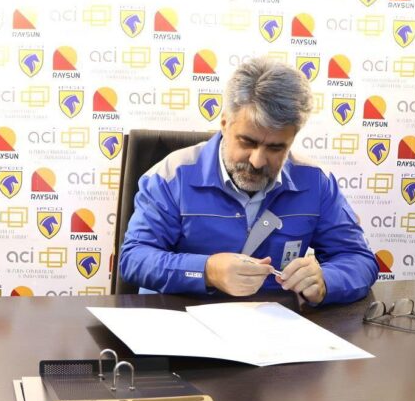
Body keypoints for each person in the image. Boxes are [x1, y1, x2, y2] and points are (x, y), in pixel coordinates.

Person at [120, 57, 378, 305]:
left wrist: (326, 281)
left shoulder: (316, 183)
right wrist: (207, 271)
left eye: (276, 148)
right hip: (181, 322)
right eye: (247, 142)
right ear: (224, 123)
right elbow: (134, 258)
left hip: (275, 327)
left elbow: (358, 259)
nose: (257, 161)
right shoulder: (170, 176)